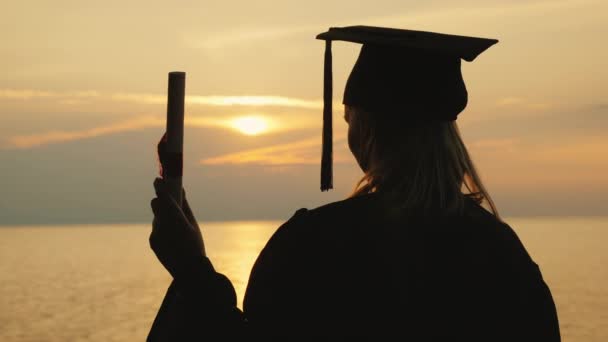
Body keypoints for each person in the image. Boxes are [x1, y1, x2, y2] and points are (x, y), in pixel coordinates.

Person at [148, 26, 561, 340]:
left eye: (350, 122)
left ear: (366, 132)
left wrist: (191, 268)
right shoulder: (502, 256)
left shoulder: (314, 245)